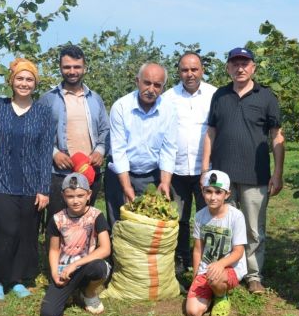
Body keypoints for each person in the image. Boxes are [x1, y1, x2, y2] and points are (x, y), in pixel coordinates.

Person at [201, 47, 284, 295]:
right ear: (227, 68)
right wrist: (206, 167)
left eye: (245, 63)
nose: (240, 68)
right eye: (235, 64)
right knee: (225, 227)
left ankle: (254, 275)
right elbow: (211, 131)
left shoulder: (266, 97)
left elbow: (276, 135)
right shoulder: (220, 95)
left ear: (253, 67)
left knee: (253, 228)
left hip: (255, 175)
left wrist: (277, 172)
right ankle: (230, 272)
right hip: (222, 177)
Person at [0, 57, 53, 300]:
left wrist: (44, 188)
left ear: (35, 83)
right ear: (11, 81)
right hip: (0, 180)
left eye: (29, 79)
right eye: (19, 78)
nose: (24, 83)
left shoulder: (44, 113)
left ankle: (17, 279)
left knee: (25, 231)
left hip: (31, 183)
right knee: (7, 230)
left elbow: (45, 152)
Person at [37, 44, 109, 222]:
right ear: (60, 68)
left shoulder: (95, 99)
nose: (72, 71)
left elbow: (105, 130)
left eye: (76, 67)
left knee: (86, 223)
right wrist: (54, 154)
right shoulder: (48, 99)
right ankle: (54, 251)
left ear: (84, 68)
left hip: (89, 170)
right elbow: (38, 133)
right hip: (59, 172)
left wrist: (100, 151)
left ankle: (86, 251)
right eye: (67, 67)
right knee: (57, 224)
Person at [162, 52, 216, 274]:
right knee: (178, 218)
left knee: (208, 217)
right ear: (179, 72)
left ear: (202, 70)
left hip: (207, 170)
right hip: (177, 170)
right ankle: (181, 259)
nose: (190, 74)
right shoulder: (168, 97)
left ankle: (207, 259)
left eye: (194, 69)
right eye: (185, 70)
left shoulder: (215, 95)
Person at [105, 62, 177, 225]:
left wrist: (165, 182)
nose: (151, 90)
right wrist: (127, 187)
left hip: (150, 173)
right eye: (147, 83)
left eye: (157, 85)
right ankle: (115, 250)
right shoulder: (121, 107)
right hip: (120, 173)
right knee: (119, 221)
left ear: (163, 88)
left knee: (149, 220)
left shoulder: (169, 110)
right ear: (137, 81)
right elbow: (119, 151)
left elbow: (168, 149)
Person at [39, 173, 111, 316]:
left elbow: (105, 249)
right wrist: (54, 273)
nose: (76, 201)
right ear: (63, 196)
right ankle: (71, 292)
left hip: (87, 266)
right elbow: (53, 250)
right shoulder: (57, 219)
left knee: (98, 267)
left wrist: (76, 264)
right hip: (64, 271)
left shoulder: (96, 216)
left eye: (80, 195)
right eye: (70, 196)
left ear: (88, 194)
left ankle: (89, 292)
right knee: (48, 315)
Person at [185, 170, 246, 316]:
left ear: (227, 194)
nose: (213, 197)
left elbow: (238, 251)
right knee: (193, 312)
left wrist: (220, 264)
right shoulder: (200, 216)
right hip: (206, 268)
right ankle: (211, 292)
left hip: (228, 267)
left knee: (215, 277)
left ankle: (221, 295)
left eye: (218, 192)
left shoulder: (236, 216)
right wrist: (195, 277)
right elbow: (198, 250)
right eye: (209, 192)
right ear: (203, 191)